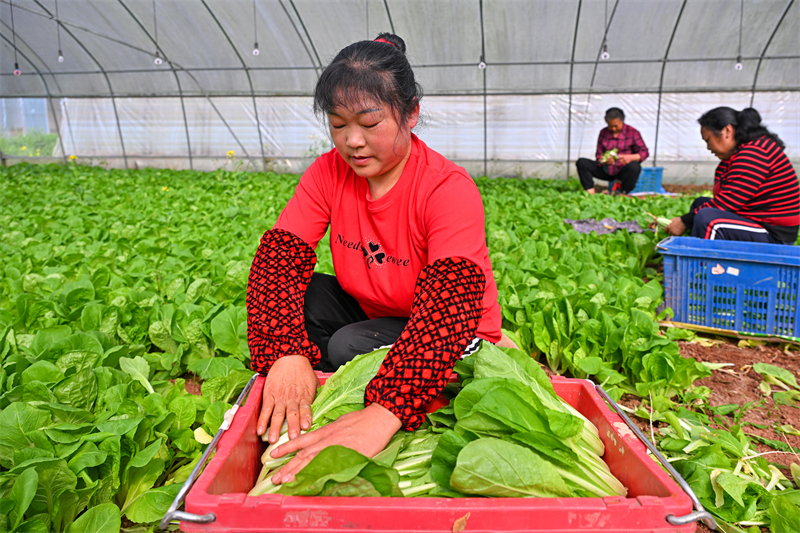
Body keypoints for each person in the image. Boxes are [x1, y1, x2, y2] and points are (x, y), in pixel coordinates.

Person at [246, 33, 514, 486]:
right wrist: (285, 354)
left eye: (370, 124)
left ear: (410, 113)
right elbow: (281, 256)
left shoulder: (446, 189)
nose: (352, 142)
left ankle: (367, 406)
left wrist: (388, 408)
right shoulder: (327, 171)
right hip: (379, 311)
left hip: (455, 329)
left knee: (347, 347)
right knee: (305, 297)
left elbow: (449, 304)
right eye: (337, 124)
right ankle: (316, 393)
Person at [665, 107, 799, 244]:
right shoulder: (739, 152)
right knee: (700, 204)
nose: (708, 148)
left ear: (727, 131)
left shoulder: (754, 153)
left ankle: (703, 264)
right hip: (757, 220)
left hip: (773, 233)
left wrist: (684, 221)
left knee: (708, 219)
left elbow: (728, 201)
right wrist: (686, 220)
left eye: (708, 140)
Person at [575, 107, 649, 195]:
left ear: (622, 121)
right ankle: (590, 193)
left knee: (634, 166)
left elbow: (644, 152)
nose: (613, 129)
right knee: (582, 163)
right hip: (606, 170)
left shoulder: (633, 132)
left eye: (616, 126)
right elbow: (598, 155)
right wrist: (603, 160)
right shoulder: (603, 132)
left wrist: (631, 157)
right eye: (610, 126)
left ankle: (622, 193)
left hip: (623, 171)